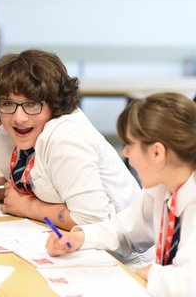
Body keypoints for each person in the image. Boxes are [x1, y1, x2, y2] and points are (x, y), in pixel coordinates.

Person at [0, 49, 141, 231]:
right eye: (7, 103)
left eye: (32, 104)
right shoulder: (6, 135)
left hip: (124, 258)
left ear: (54, 105)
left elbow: (93, 220)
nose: (19, 118)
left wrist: (28, 208)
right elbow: (45, 180)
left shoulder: (66, 139)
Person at [46, 92, 196, 296]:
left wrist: (153, 273)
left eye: (130, 145)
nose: (125, 153)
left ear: (157, 153)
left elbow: (188, 285)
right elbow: (125, 230)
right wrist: (81, 237)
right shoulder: (162, 188)